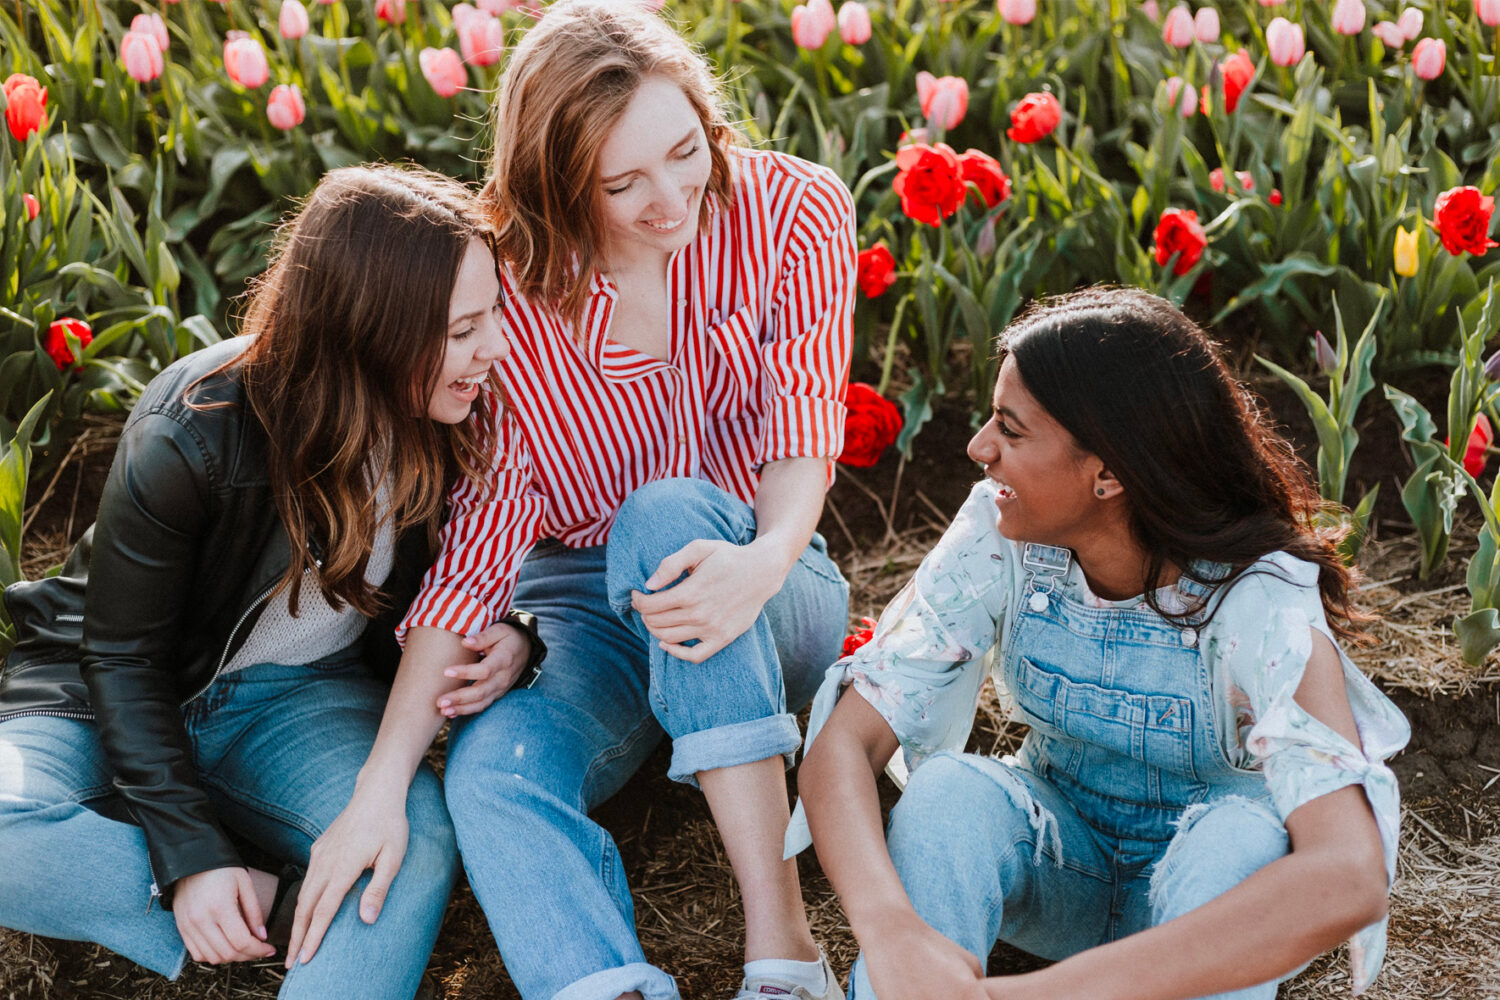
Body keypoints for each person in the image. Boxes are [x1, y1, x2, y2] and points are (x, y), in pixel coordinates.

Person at [387, 2, 855, 998]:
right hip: (590, 604)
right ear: (556, 183)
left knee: (666, 516)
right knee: (493, 772)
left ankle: (782, 955)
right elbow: (487, 530)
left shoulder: (796, 212)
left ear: (706, 115)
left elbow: (805, 431)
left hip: (768, 573)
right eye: (620, 182)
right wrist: (387, 782)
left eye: (685, 151)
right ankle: (606, 983)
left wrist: (762, 562)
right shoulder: (510, 288)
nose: (669, 198)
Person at [0, 164, 537, 997]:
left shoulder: (461, 416)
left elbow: (516, 543)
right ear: (372, 330)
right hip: (99, 692)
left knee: (408, 842)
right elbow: (123, 660)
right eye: (464, 328)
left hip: (294, 702)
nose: (493, 348)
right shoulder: (192, 431)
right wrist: (189, 861)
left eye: (491, 314)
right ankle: (266, 904)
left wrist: (519, 628)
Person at [790, 287, 1410, 1000]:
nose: (977, 448)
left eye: (1011, 431)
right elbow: (844, 746)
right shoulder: (1001, 533)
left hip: (1212, 913)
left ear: (1110, 472)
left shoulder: (1260, 599)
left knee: (1239, 837)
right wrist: (893, 930)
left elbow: (1348, 874)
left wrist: (1022, 997)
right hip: (1063, 866)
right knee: (947, 793)